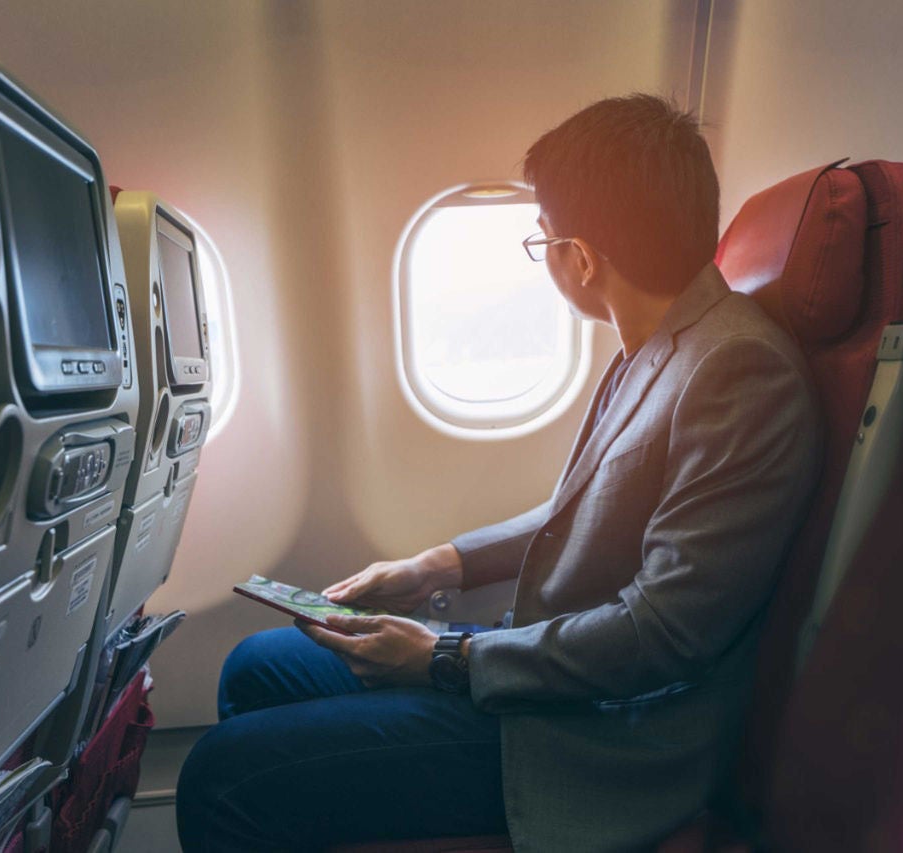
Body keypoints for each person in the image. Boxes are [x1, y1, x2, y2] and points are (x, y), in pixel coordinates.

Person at [176, 94, 820, 851]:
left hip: (605, 736)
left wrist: (447, 656)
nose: (543, 255)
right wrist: (434, 566)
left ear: (581, 256)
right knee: (257, 665)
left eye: (541, 239)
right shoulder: (658, 348)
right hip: (551, 668)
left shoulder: (739, 371)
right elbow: (575, 509)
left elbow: (665, 632)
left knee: (220, 778)